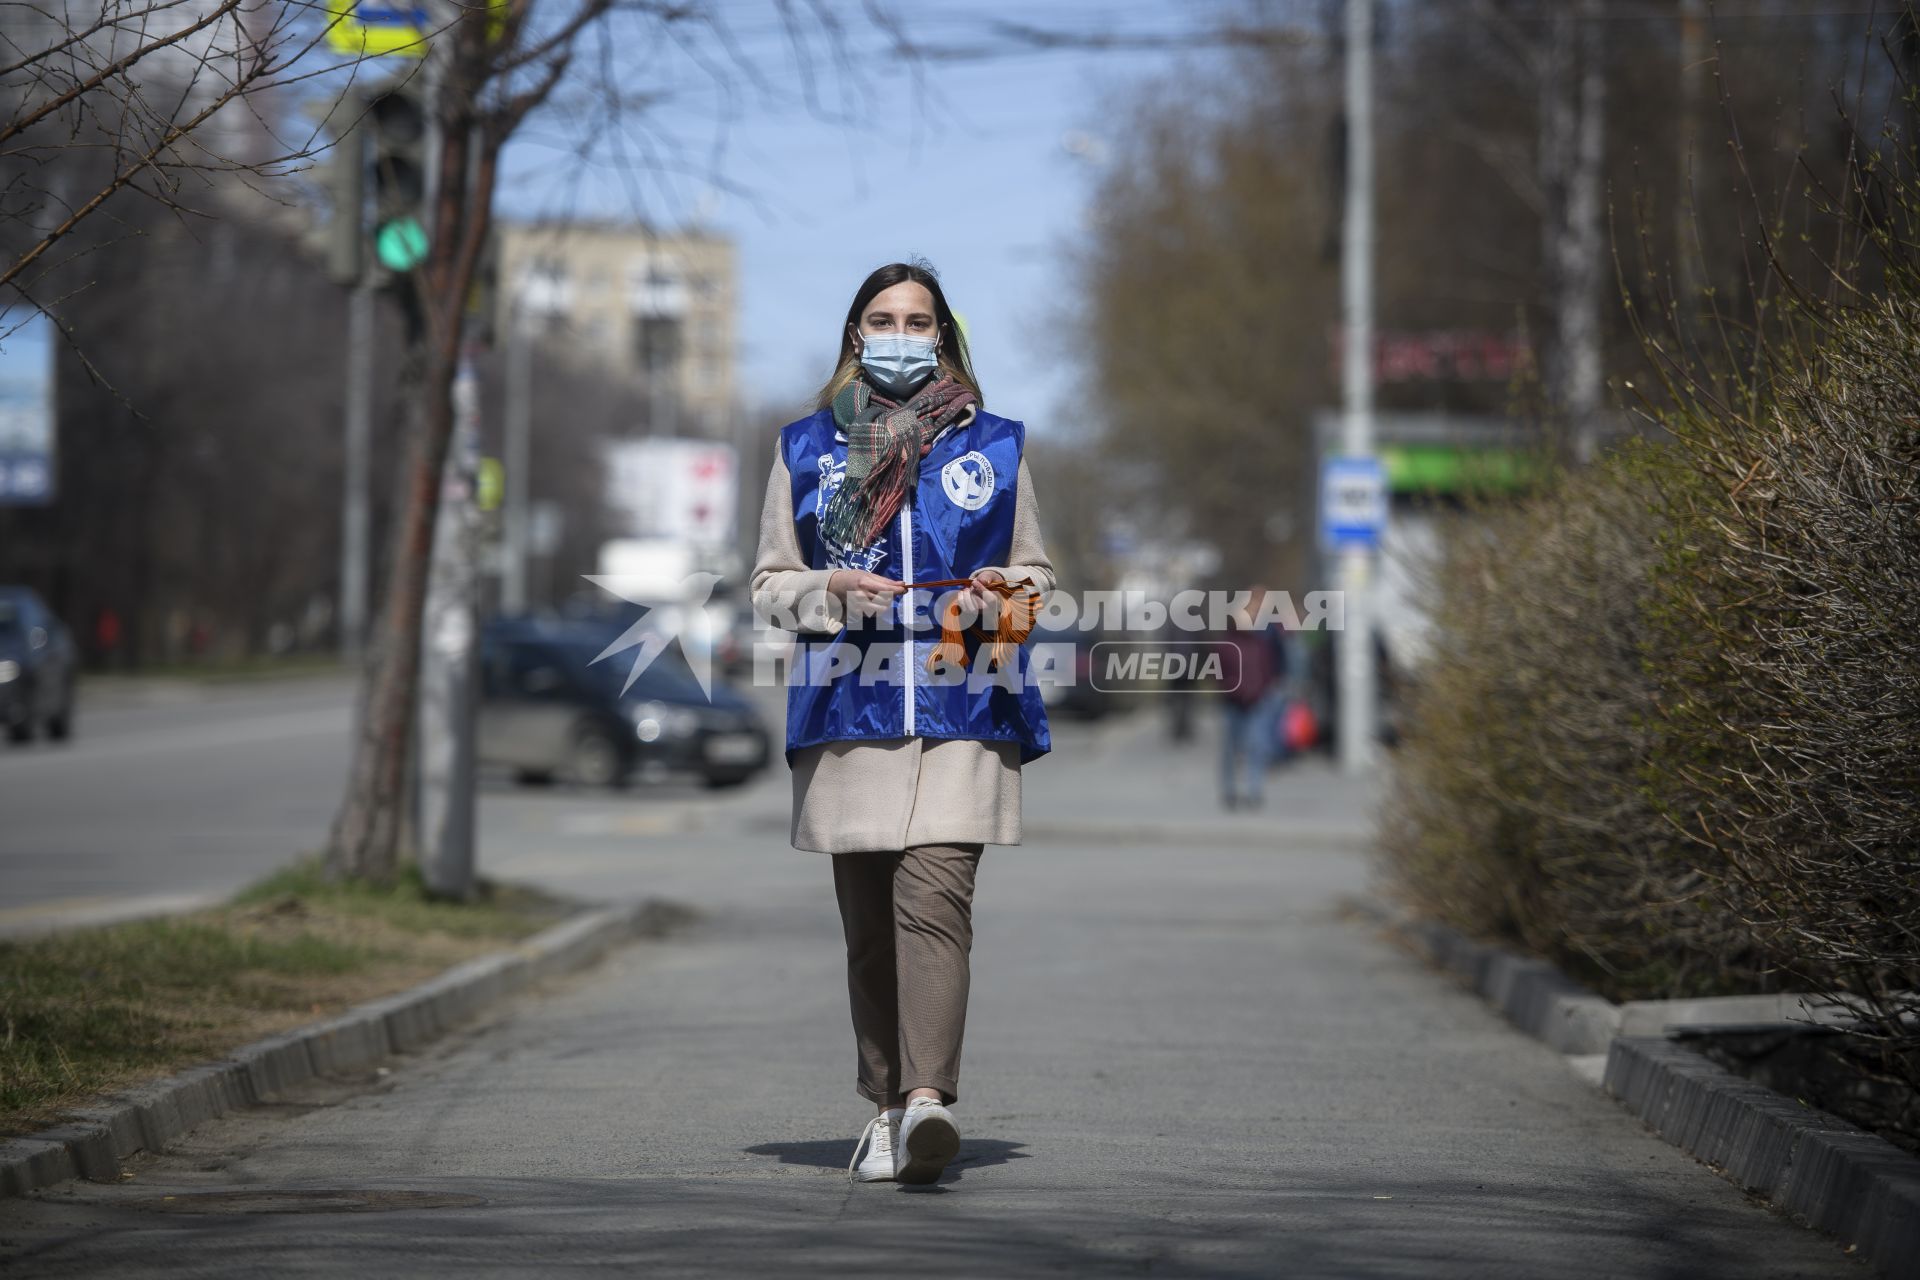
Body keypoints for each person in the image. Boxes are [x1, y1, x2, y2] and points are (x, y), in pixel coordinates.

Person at [749, 260, 1055, 1187]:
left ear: (943, 337)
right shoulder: (807, 449)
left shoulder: (995, 447)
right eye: (882, 318)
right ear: (855, 337)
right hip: (852, 712)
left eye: (918, 321)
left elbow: (1037, 573)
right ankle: (884, 1108)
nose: (900, 333)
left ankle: (928, 1099)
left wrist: (1006, 592)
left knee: (934, 903)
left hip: (964, 708)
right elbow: (770, 585)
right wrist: (831, 587)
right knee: (870, 931)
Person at [1216, 584, 1289, 810]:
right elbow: (1217, 671)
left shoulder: (1264, 638)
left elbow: (1273, 664)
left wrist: (1268, 687)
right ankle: (1230, 791)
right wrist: (1230, 688)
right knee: (1231, 748)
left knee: (1256, 746)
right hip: (1233, 701)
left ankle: (1253, 791)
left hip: (1259, 700)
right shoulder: (1226, 643)